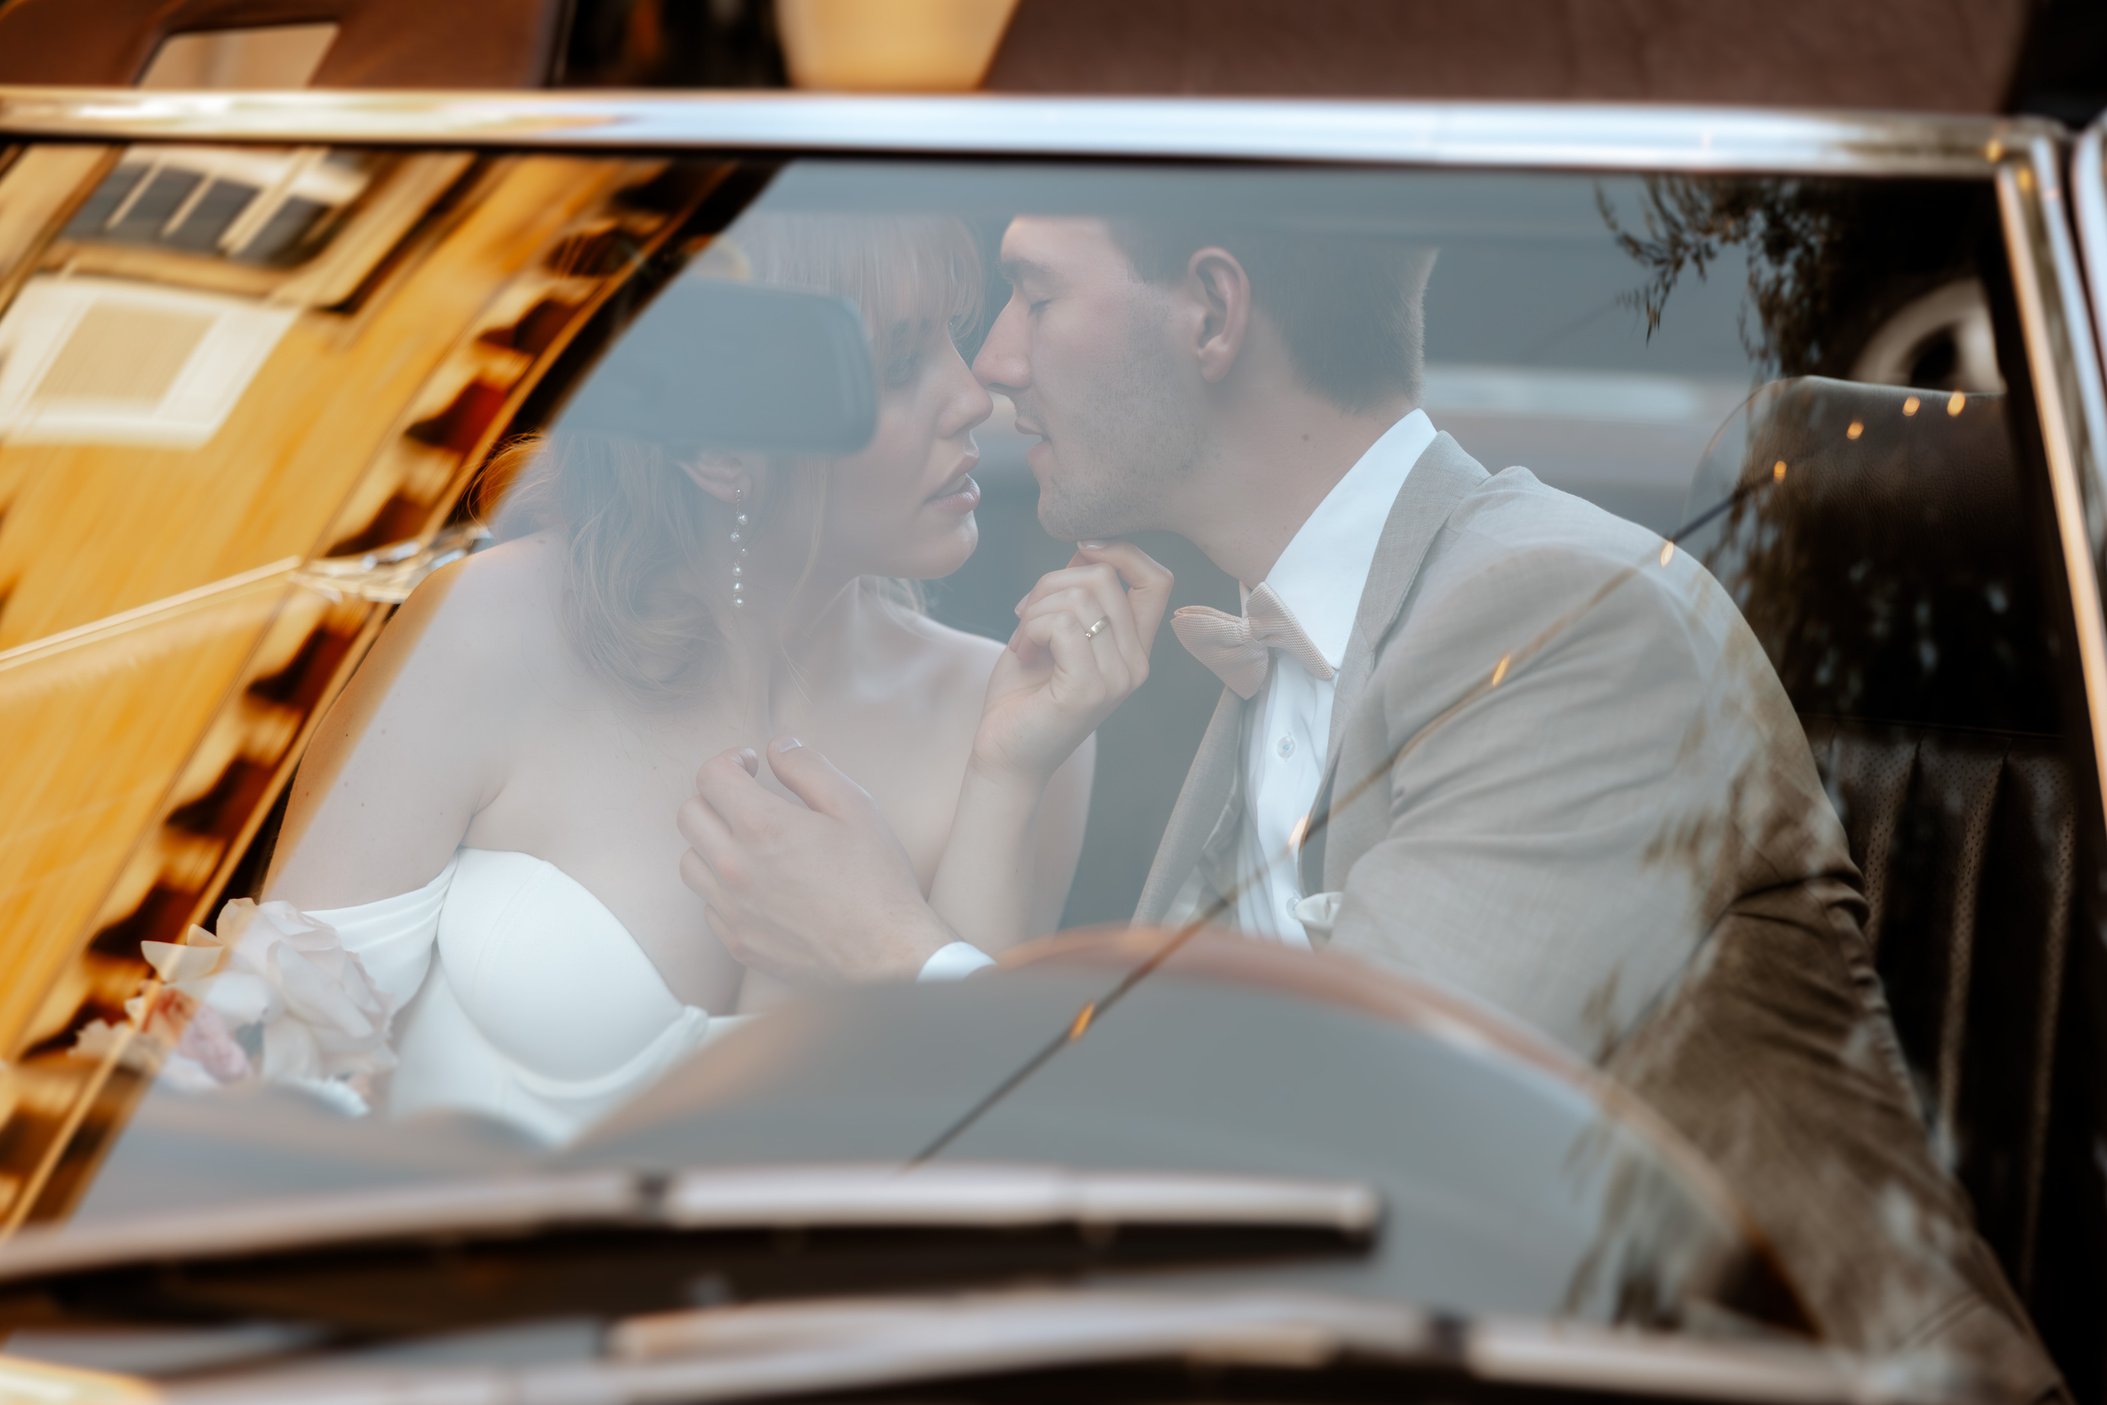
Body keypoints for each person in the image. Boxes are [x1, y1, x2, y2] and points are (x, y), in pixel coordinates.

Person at [674, 211, 2065, 1400]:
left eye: (1033, 296)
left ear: (1212, 310)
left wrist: (892, 960)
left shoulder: (1568, 620)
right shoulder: (1274, 661)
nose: (995, 362)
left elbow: (1346, 1152)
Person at [250, 213, 1172, 1143]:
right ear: (722, 455)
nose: (973, 397)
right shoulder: (483, 630)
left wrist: (1006, 781)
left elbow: (960, 1148)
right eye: (897, 365)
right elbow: (271, 1071)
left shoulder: (1009, 716)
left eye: (950, 336)